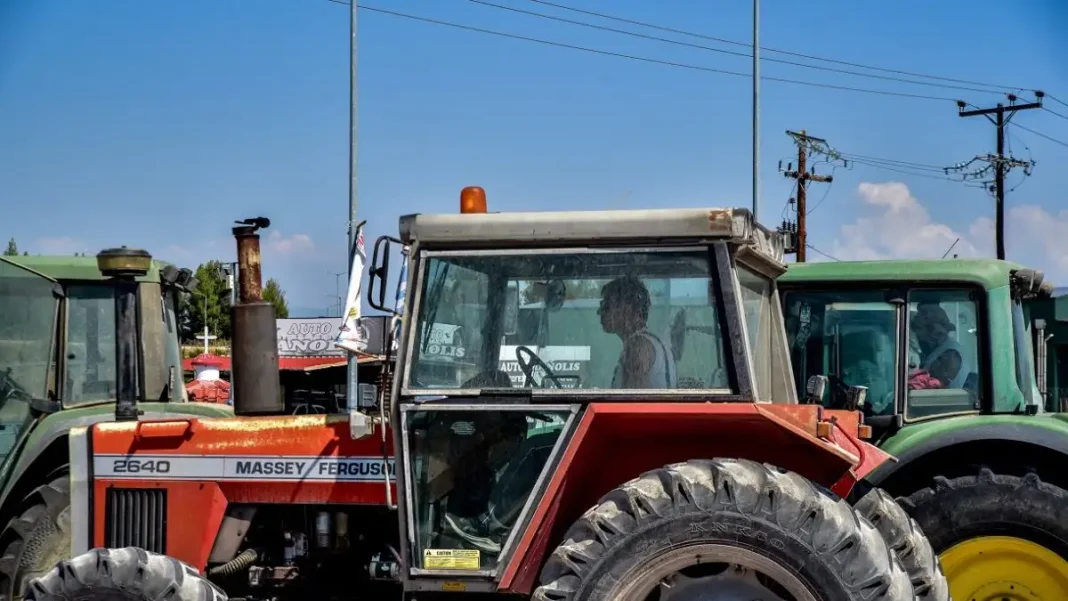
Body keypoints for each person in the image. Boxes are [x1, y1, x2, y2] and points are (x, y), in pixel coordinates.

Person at [598, 276, 677, 389]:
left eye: (606, 306)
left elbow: (632, 399)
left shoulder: (637, 347)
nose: (599, 312)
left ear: (628, 309)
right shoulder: (653, 342)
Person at [910, 303, 970, 389]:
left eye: (919, 329)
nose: (918, 336)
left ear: (935, 332)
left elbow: (932, 388)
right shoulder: (937, 351)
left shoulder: (951, 353)